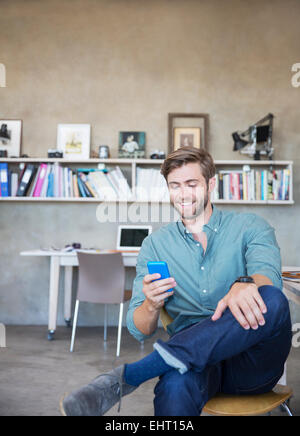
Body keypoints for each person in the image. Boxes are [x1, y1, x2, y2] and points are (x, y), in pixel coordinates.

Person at [61, 146, 292, 416]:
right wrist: (150, 304)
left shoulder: (251, 226)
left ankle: (129, 376)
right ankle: (155, 367)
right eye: (175, 185)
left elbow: (268, 276)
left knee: (272, 298)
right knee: (175, 385)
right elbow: (140, 330)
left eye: (192, 184)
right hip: (192, 366)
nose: (183, 194)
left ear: (211, 184)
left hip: (251, 366)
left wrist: (247, 283)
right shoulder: (156, 245)